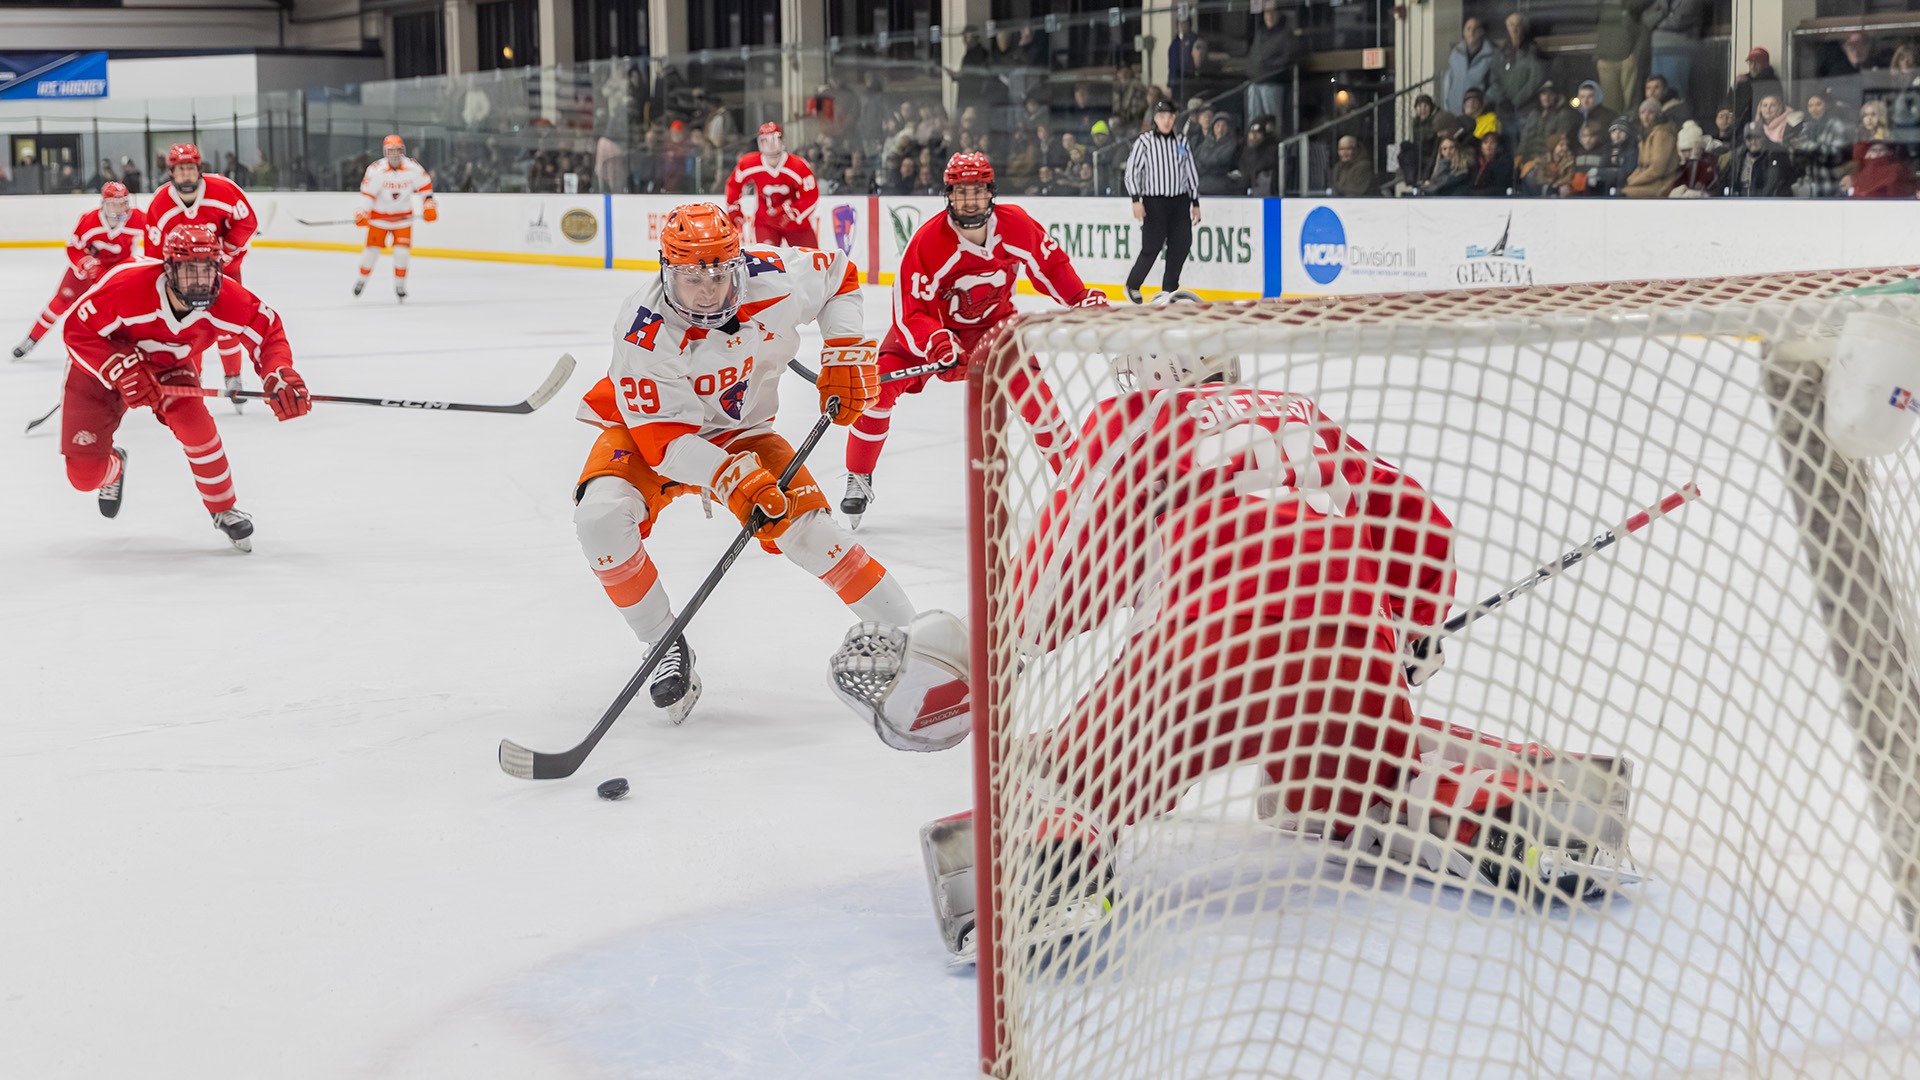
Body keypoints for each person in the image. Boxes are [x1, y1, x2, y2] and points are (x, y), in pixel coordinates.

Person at [915, 296, 1636, 963]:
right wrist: (1413, 637)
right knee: (1352, 788)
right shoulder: (1301, 413)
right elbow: (1420, 522)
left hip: (1205, 654)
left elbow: (1062, 575)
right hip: (1354, 658)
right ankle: (1510, 806)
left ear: (1146, 366)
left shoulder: (1136, 419)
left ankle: (1048, 861)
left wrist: (1001, 643)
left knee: (1056, 772)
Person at [571, 202, 962, 736]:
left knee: (814, 534)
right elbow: (665, 444)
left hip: (743, 431)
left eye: (717, 273)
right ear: (667, 271)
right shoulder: (642, 330)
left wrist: (844, 349)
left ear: (738, 264)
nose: (707, 289)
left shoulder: (772, 275)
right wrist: (733, 480)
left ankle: (924, 648)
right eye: (690, 276)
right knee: (601, 519)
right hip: (649, 434)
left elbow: (840, 276)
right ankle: (663, 641)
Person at [839, 152, 1107, 526]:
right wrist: (936, 340)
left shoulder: (1015, 225)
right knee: (877, 386)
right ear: (948, 195)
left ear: (990, 193)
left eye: (977, 191)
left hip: (993, 330)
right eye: (961, 191)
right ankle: (858, 475)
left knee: (1035, 397)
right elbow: (909, 311)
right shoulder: (928, 241)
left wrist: (1079, 298)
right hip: (932, 333)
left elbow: (1050, 265)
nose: (969, 200)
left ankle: (1082, 484)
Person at [59, 224, 312, 551]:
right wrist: (120, 367)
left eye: (207, 269)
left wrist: (278, 374)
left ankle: (224, 509)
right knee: (84, 476)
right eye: (189, 270)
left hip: (170, 367)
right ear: (168, 268)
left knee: (197, 427)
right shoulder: (127, 287)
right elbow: (77, 330)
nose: (200, 281)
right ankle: (115, 466)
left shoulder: (228, 298)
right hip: (98, 368)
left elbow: (268, 333)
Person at [143, 143, 259, 410]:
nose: (186, 174)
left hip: (224, 271)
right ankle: (192, 381)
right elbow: (153, 251)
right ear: (171, 172)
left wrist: (229, 250)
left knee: (229, 326)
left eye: (190, 168)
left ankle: (234, 378)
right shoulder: (161, 203)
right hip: (184, 280)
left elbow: (247, 221)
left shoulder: (223, 190)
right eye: (180, 169)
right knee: (188, 330)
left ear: (199, 170)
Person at [12, 182, 147, 360]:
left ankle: (128, 347)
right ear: (104, 204)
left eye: (123, 203)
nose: (120, 208)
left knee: (124, 309)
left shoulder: (137, 219)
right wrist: (84, 263)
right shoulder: (89, 221)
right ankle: (31, 339)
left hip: (116, 272)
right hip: (88, 271)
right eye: (115, 203)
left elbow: (157, 235)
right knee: (60, 301)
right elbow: (73, 248)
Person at [1123, 100, 1202, 305]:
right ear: (1155, 120)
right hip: (1154, 201)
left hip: (1179, 201)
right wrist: (1135, 199)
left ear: (1174, 118)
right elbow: (1132, 172)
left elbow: (1190, 172)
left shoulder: (1181, 142)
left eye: (1169, 116)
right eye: (1161, 117)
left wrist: (1195, 202)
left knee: (1182, 243)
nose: (1166, 121)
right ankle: (1133, 283)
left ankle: (1169, 289)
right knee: (1152, 246)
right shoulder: (1145, 142)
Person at [353, 135, 437, 301]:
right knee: (370, 253)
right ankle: (362, 280)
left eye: (398, 150)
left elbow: (426, 190)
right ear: (385, 152)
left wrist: (429, 206)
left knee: (402, 253)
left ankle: (400, 286)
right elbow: (367, 196)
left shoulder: (413, 168)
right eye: (391, 151)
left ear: (403, 150)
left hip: (403, 219)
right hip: (379, 218)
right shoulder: (376, 170)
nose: (394, 154)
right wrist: (362, 212)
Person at [723, 122, 820, 247]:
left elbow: (811, 195)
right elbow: (734, 186)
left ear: (782, 140)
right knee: (767, 262)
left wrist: (793, 212)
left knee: (810, 260)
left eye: (775, 139)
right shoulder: (749, 163)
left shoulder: (798, 166)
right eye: (765, 140)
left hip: (796, 224)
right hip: (765, 223)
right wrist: (734, 211)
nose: (771, 145)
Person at [1724, 121, 1795, 197]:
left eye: (1757, 137)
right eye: (1749, 138)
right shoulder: (1738, 157)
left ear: (1764, 138)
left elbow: (1774, 186)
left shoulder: (1776, 156)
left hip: (1769, 203)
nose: (1753, 142)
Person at [1443, 17, 1495, 114]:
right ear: (1464, 32)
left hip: (1477, 113)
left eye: (1475, 29)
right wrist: (1446, 104)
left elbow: (1495, 84)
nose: (1472, 32)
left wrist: (1484, 103)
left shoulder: (1491, 56)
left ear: (1481, 32)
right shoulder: (1456, 53)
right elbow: (1449, 79)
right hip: (1455, 110)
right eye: (1468, 29)